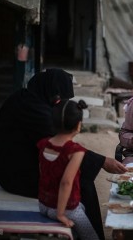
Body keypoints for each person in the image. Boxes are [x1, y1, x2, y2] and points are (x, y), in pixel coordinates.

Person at [0, 68, 126, 240]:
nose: (60, 104)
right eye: (60, 100)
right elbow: (66, 150)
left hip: (14, 167)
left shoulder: (24, 97)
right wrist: (103, 162)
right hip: (17, 178)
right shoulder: (37, 112)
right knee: (83, 181)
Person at [38, 99, 98, 239]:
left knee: (81, 207)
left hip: (43, 205)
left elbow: (43, 173)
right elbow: (66, 183)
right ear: (78, 125)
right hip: (64, 209)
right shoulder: (75, 151)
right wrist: (60, 214)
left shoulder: (43, 144)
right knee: (92, 237)